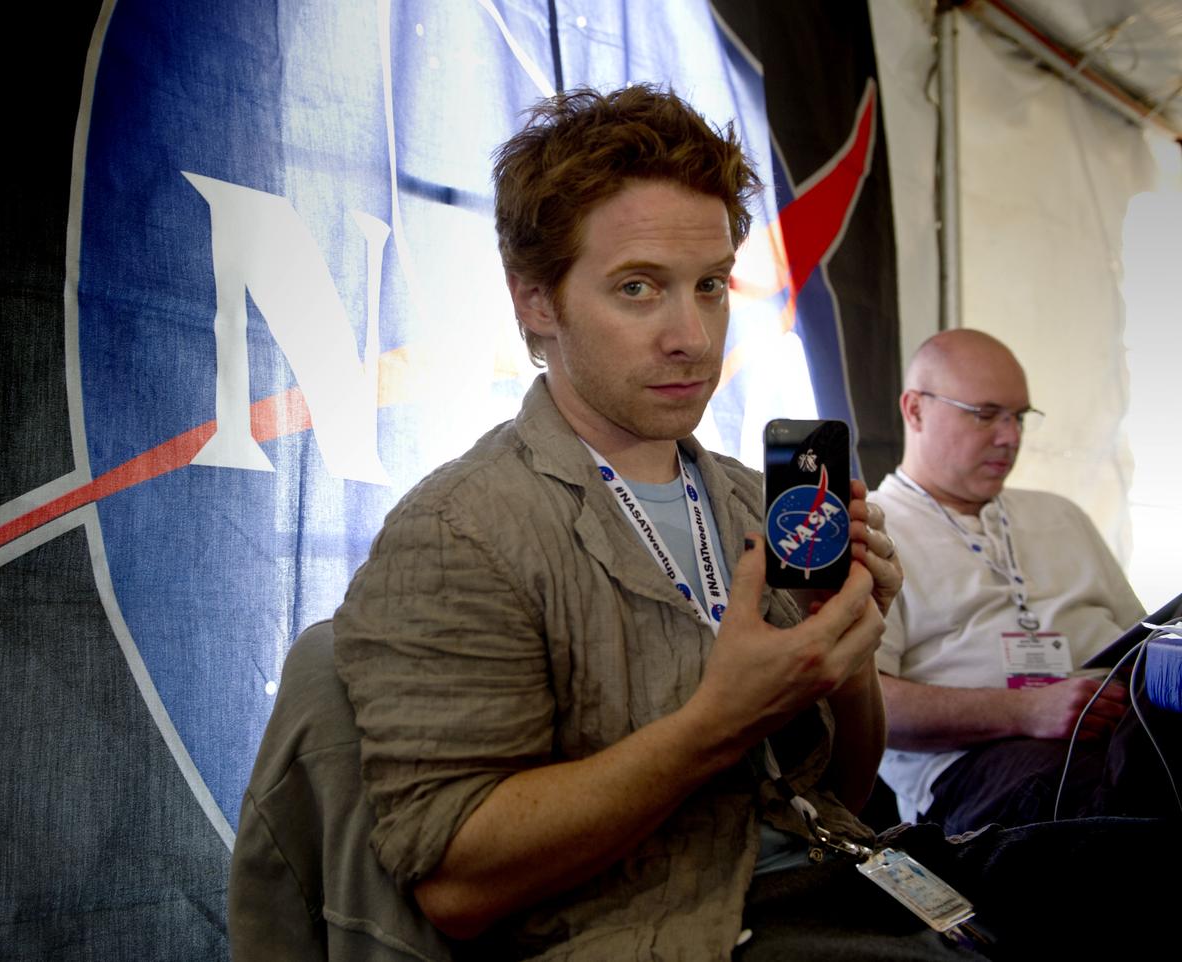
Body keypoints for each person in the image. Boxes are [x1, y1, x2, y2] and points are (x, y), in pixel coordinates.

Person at [330, 84, 926, 960]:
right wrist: (714, 723)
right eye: (638, 288)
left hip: (843, 880)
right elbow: (455, 886)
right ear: (536, 301)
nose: (692, 335)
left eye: (712, 285)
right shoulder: (461, 532)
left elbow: (840, 785)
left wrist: (849, 654)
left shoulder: (749, 503)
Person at [872, 329, 1169, 834]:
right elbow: (865, 704)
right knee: (1119, 800)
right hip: (981, 771)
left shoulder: (1061, 516)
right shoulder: (872, 532)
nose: (1010, 437)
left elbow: (1144, 645)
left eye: (1019, 416)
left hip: (1126, 732)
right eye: (986, 415)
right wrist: (1025, 711)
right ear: (915, 410)